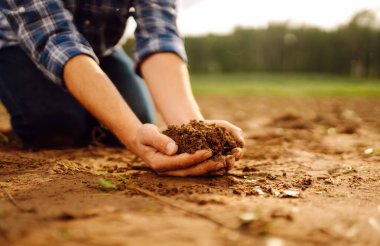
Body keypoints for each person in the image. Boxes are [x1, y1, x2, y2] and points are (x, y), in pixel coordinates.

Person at [0, 0, 244, 177]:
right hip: (17, 45)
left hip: (100, 49)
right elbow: (56, 40)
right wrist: (131, 135)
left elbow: (159, 36)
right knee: (58, 124)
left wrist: (194, 129)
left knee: (138, 119)